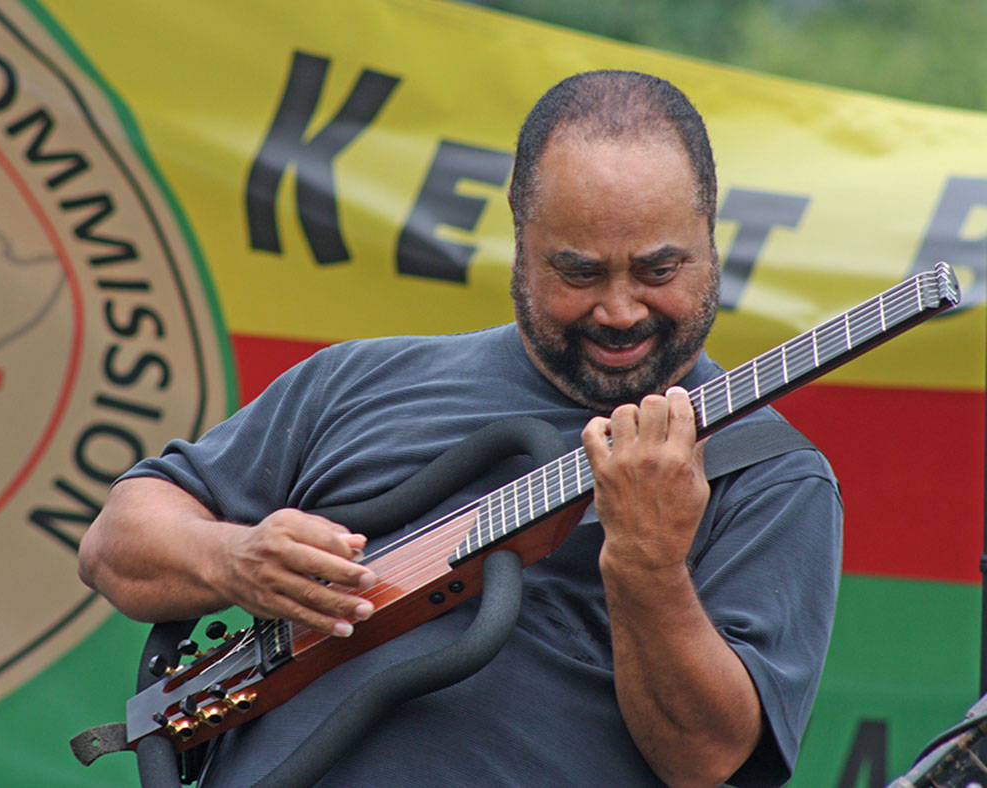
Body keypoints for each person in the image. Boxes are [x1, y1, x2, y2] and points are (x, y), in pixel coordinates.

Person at [78, 70, 842, 787]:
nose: (620, 310)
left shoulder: (769, 474)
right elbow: (117, 542)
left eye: (656, 271)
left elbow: (707, 758)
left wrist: (646, 564)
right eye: (578, 273)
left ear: (711, 241)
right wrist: (233, 557)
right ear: (520, 237)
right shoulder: (358, 379)